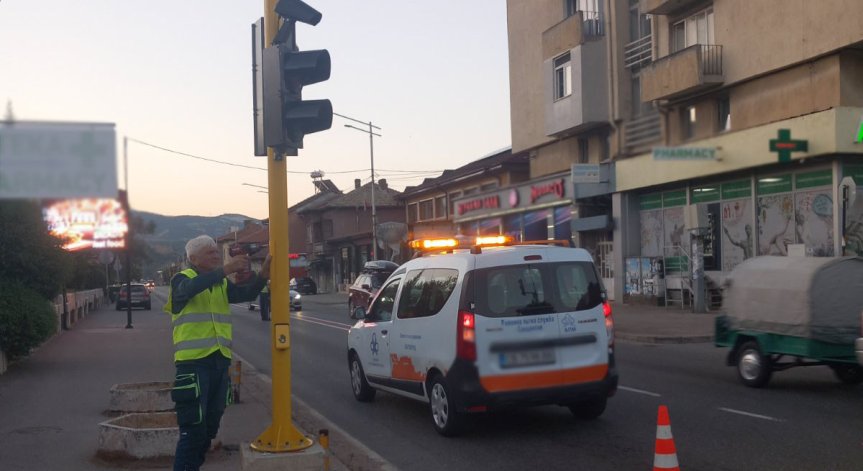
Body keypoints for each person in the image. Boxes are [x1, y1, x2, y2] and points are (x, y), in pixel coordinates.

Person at [164, 235, 270, 471]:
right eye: (209, 252)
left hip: (219, 362)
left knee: (209, 429)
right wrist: (226, 268)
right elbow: (190, 289)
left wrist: (263, 275)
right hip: (193, 364)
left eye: (216, 251)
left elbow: (245, 295)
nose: (215, 255)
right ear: (193, 258)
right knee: (193, 430)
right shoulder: (181, 279)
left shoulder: (219, 283)